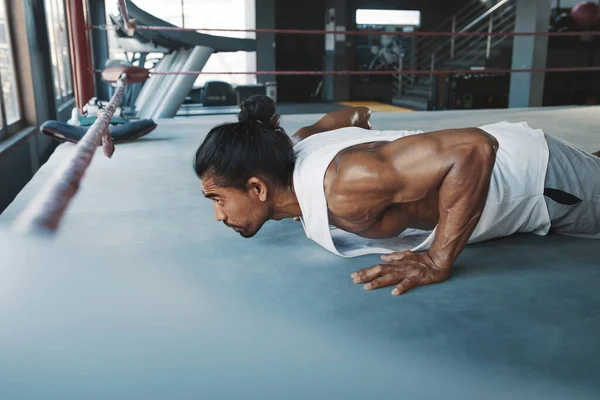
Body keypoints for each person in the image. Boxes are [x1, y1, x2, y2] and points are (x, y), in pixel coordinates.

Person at [194, 95, 600, 297]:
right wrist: (388, 156)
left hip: (539, 179)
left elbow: (474, 149)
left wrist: (438, 258)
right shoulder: (297, 145)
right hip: (523, 152)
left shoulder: (344, 186)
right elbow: (352, 115)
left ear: (258, 188)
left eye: (217, 198)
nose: (218, 215)